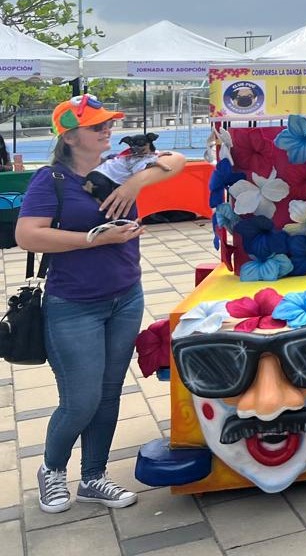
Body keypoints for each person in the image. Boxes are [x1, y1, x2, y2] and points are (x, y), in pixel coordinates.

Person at [15, 95, 185, 513]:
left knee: (109, 395)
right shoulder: (50, 179)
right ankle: (53, 471)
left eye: (108, 124)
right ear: (70, 136)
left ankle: (94, 477)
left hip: (126, 297)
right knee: (81, 400)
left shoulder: (123, 166)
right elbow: (27, 235)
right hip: (73, 304)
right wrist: (94, 238)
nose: (107, 131)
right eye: (97, 127)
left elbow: (177, 159)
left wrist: (134, 184)